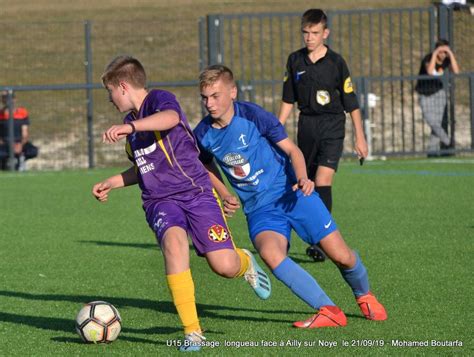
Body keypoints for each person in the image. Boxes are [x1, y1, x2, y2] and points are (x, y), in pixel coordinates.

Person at [92, 56, 271, 351]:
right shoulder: (131, 127)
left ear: (123, 86)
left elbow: (171, 119)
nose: (110, 99)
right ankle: (193, 332)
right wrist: (112, 181)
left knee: (223, 266)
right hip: (159, 201)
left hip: (197, 194)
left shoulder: (160, 101)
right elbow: (145, 167)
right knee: (174, 245)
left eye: (110, 91)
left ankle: (245, 262)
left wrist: (132, 128)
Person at [194, 65, 387, 329]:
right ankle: (328, 310)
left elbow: (293, 151)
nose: (209, 103)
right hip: (260, 209)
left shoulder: (253, 116)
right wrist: (225, 193)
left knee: (341, 255)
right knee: (271, 255)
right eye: (205, 97)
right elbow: (204, 164)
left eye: (215, 96)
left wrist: (303, 178)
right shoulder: (203, 133)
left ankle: (364, 294)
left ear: (233, 92)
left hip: (292, 192)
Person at [277, 9, 368, 262]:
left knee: (323, 179)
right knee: (304, 183)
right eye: (305, 32)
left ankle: (320, 242)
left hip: (332, 126)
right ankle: (287, 234)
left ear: (325, 33)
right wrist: (276, 128)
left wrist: (360, 138)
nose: (309, 37)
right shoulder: (295, 60)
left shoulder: (337, 63)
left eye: (315, 33)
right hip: (306, 125)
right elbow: (288, 99)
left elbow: (352, 103)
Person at [415, 39, 460, 157]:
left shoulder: (447, 59)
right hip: (424, 94)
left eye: (445, 52)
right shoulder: (428, 58)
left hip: (438, 93)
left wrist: (450, 54)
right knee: (432, 121)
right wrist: (435, 54)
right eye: (441, 52)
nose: (443, 54)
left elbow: (456, 71)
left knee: (437, 124)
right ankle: (448, 142)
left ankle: (432, 152)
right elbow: (430, 72)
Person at [0, 91, 36, 171]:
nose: (6, 100)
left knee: (33, 151)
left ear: (14, 99)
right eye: (4, 98)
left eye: (9, 98)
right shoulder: (0, 114)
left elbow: (25, 133)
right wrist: (7, 144)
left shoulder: (22, 112)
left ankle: (21, 159)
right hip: (5, 143)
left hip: (19, 142)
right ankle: (5, 163)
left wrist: (21, 144)